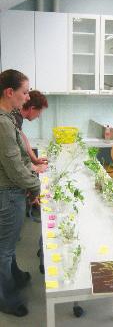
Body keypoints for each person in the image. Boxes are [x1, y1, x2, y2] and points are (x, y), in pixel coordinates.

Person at [0, 69, 41, 317]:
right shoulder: (3, 122)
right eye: (24, 92)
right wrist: (35, 187)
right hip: (7, 193)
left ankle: (14, 277)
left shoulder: (8, 118)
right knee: (4, 248)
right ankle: (5, 298)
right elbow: (14, 167)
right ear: (9, 92)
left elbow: (20, 156)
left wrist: (32, 173)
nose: (27, 98)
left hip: (11, 191)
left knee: (9, 242)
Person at [11, 90, 48, 173]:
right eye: (39, 112)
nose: (38, 116)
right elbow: (16, 153)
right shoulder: (14, 117)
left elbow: (22, 137)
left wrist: (34, 159)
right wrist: (35, 168)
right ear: (32, 108)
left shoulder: (17, 115)